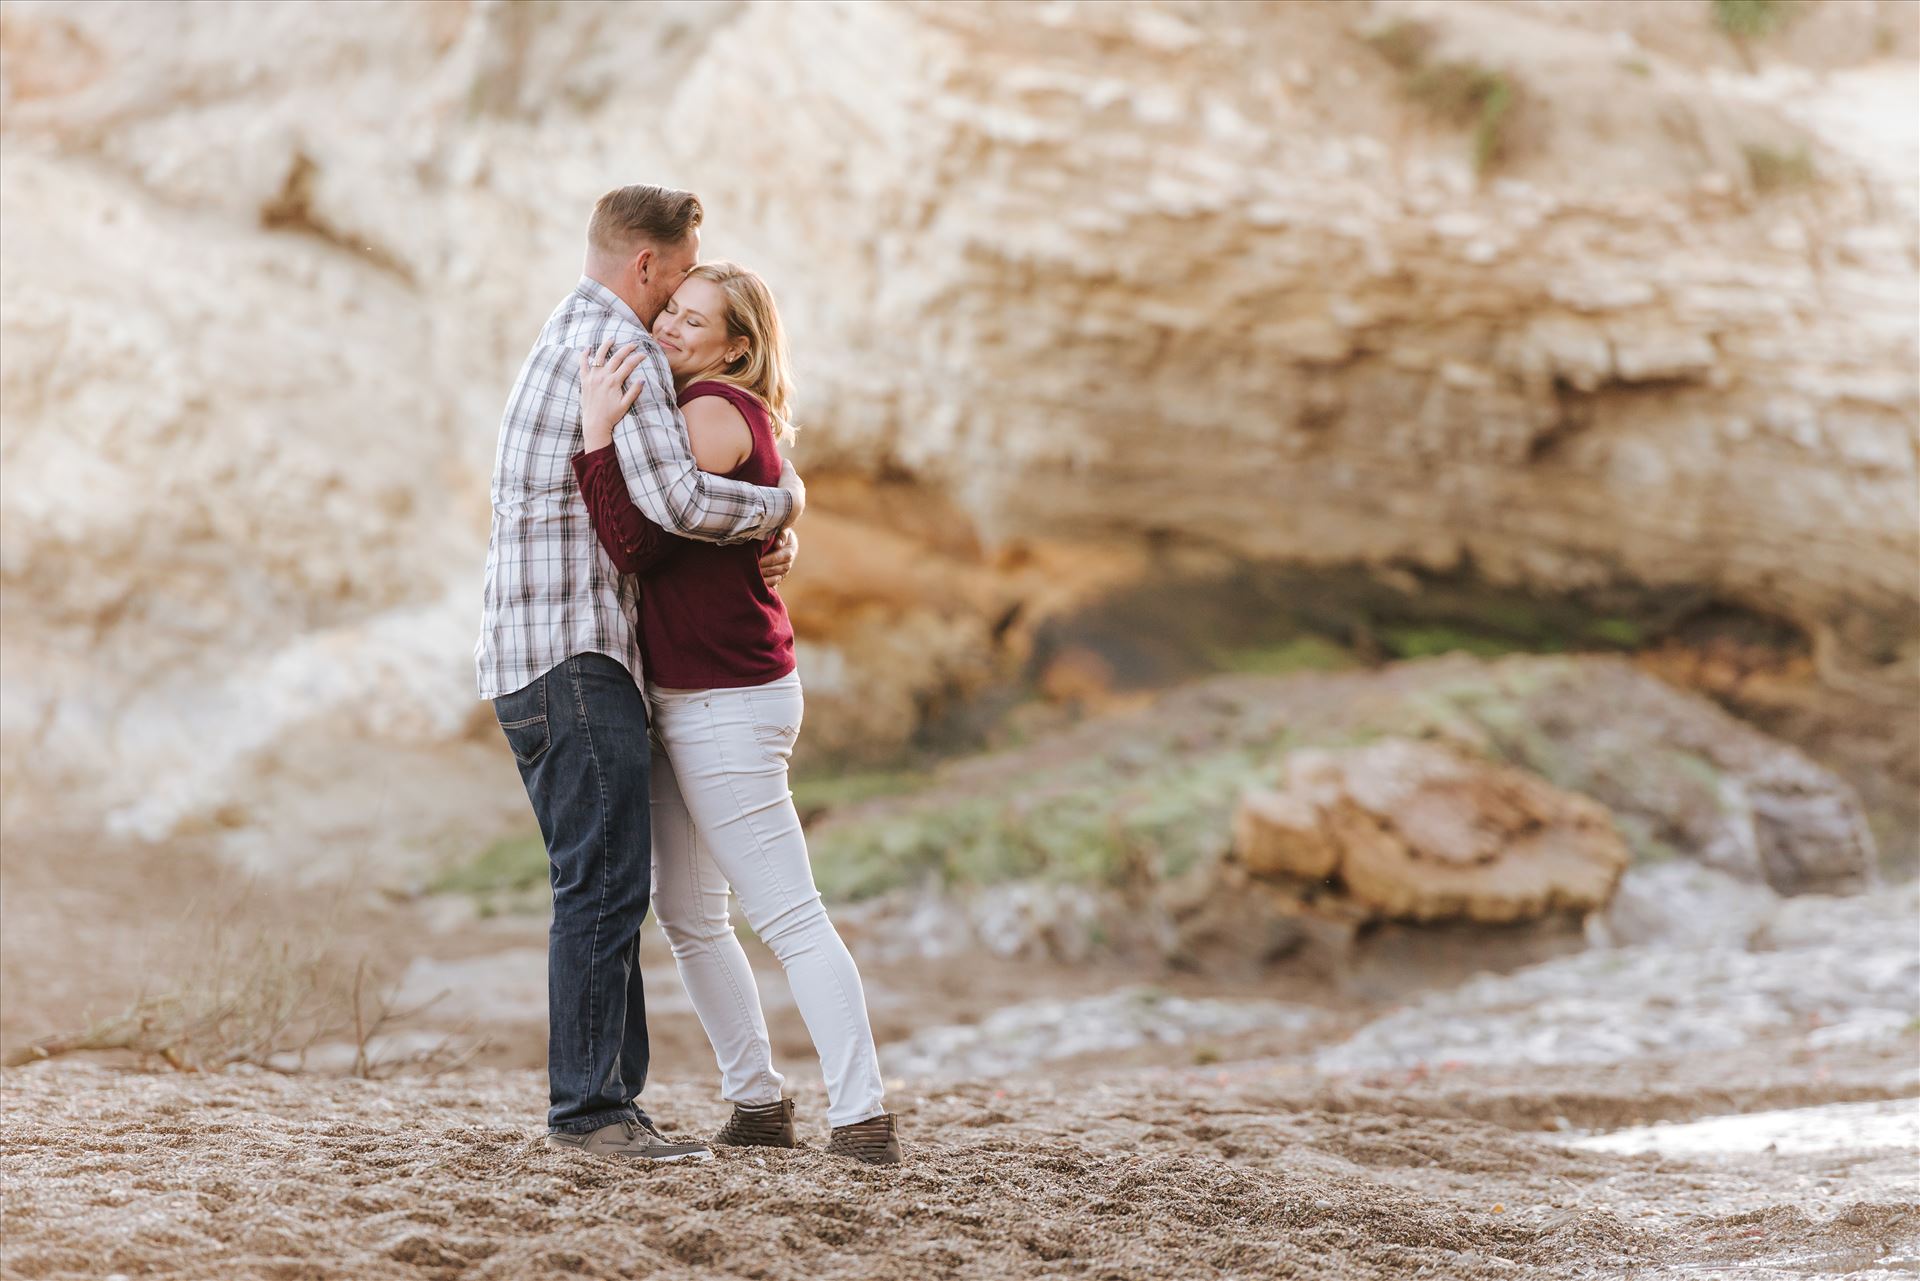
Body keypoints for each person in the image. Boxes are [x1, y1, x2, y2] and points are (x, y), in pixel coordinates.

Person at [476, 185, 804, 1162]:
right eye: (676, 285)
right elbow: (666, 503)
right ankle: (591, 1113)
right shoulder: (620, 345)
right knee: (604, 883)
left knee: (604, 878)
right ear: (650, 266)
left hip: (540, 656)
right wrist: (780, 503)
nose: (672, 318)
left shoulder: (574, 327)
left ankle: (610, 1105)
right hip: (573, 655)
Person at [571, 260, 902, 1165]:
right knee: (687, 911)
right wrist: (786, 505)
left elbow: (635, 538)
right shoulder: (712, 414)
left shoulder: (711, 412)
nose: (671, 328)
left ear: (739, 347)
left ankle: (864, 1118)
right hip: (689, 697)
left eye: (695, 319)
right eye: (670, 311)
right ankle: (757, 1101)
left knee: (789, 914)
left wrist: (597, 435)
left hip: (727, 700)